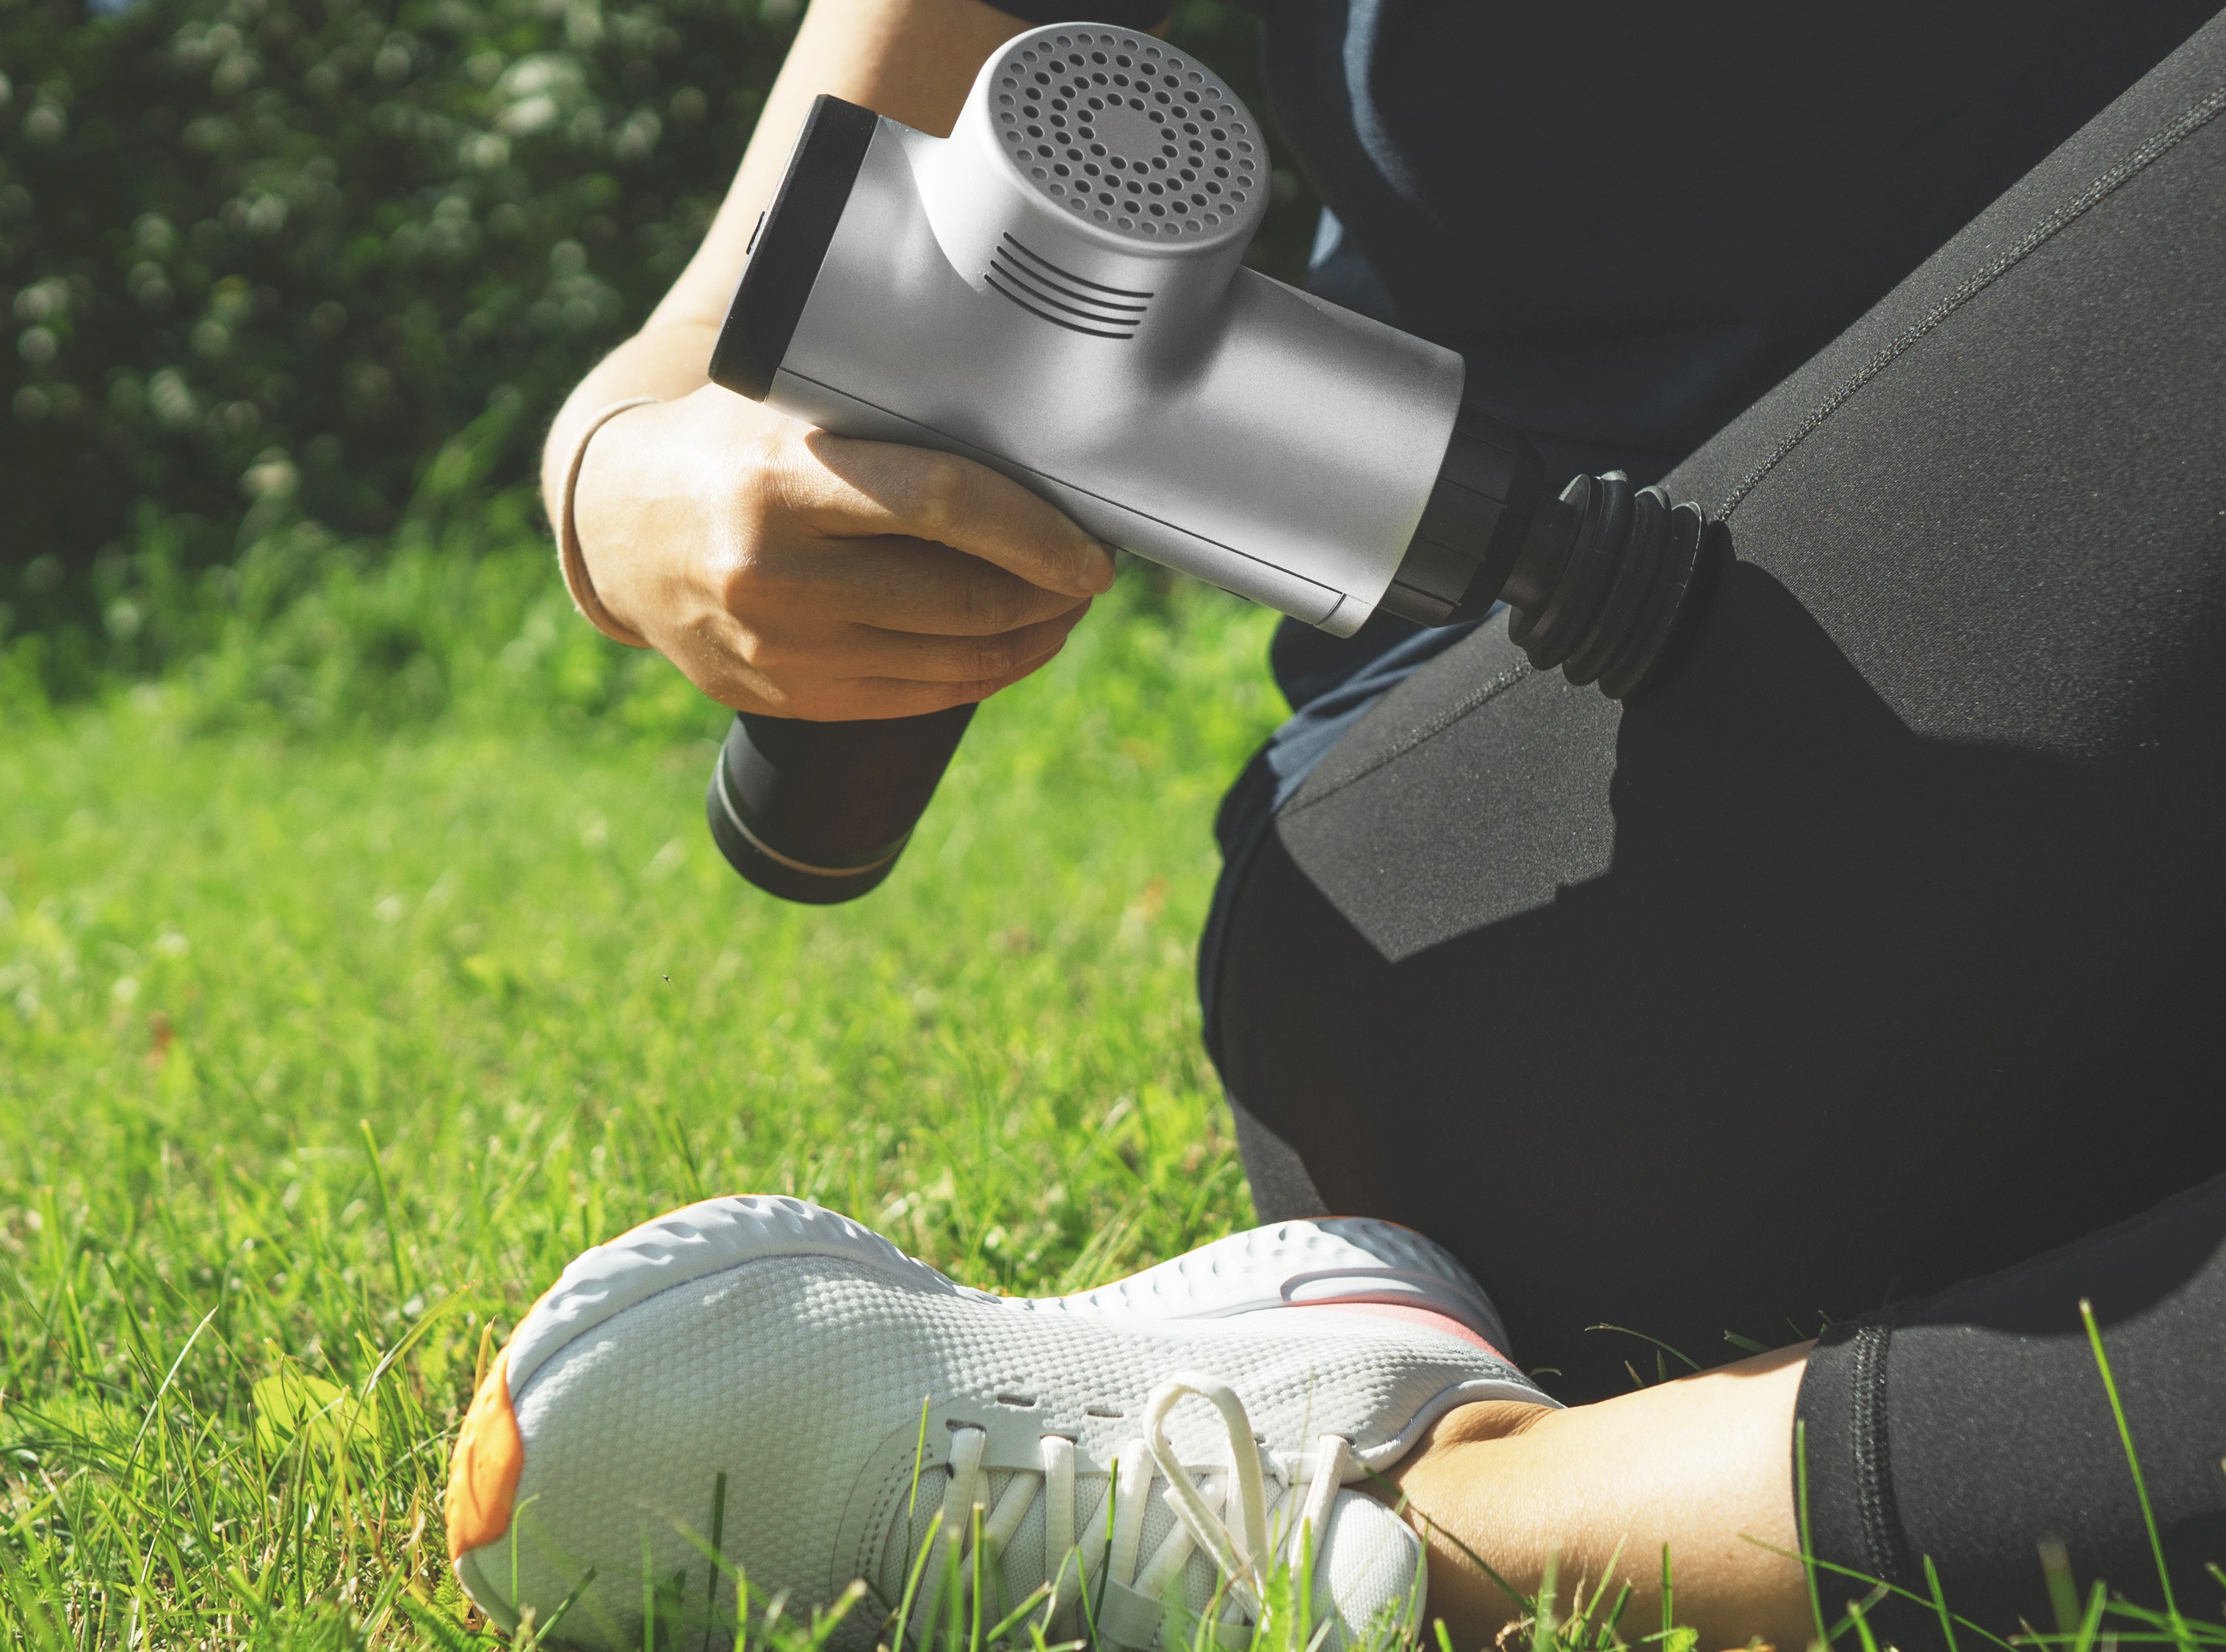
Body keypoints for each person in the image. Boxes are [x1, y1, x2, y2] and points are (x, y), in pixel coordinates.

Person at [532, 0, 2226, 1640]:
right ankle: (1458, 1524)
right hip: (1601, 862)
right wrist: (630, 485)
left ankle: (1415, 1541)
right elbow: (714, 336)